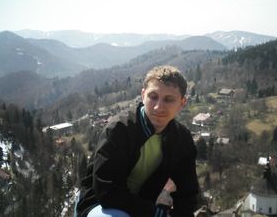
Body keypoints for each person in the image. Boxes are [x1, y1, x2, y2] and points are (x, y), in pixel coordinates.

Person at [75, 65, 199, 217]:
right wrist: (154, 213)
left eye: (168, 99)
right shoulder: (119, 130)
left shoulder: (182, 139)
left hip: (140, 207)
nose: (158, 106)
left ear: (182, 103)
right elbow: (107, 191)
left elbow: (187, 193)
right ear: (143, 95)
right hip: (100, 205)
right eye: (153, 97)